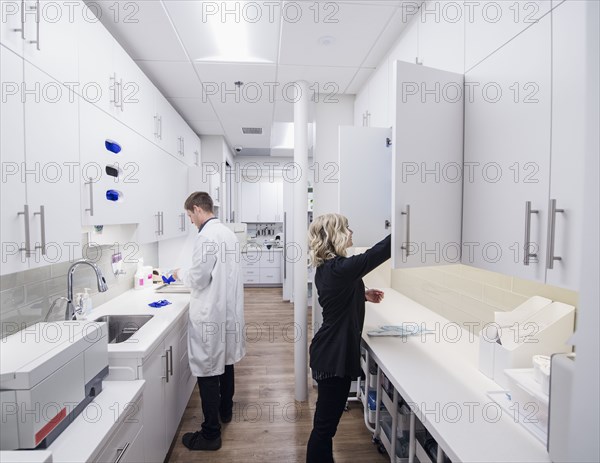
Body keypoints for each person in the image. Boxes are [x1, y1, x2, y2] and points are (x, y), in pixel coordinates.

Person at [306, 213, 391, 463]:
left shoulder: (330, 268)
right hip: (333, 357)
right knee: (324, 429)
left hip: (329, 352)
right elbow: (378, 253)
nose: (352, 232)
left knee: (325, 425)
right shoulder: (341, 269)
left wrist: (362, 294)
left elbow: (338, 294)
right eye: (347, 228)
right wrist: (405, 224)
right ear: (337, 235)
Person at [173, 191, 245, 451]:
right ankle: (225, 411)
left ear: (196, 209)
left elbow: (199, 278)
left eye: (190, 215)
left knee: (208, 369)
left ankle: (210, 434)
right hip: (226, 311)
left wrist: (179, 273)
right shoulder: (226, 233)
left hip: (210, 313)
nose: (191, 220)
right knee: (224, 361)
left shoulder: (206, 237)